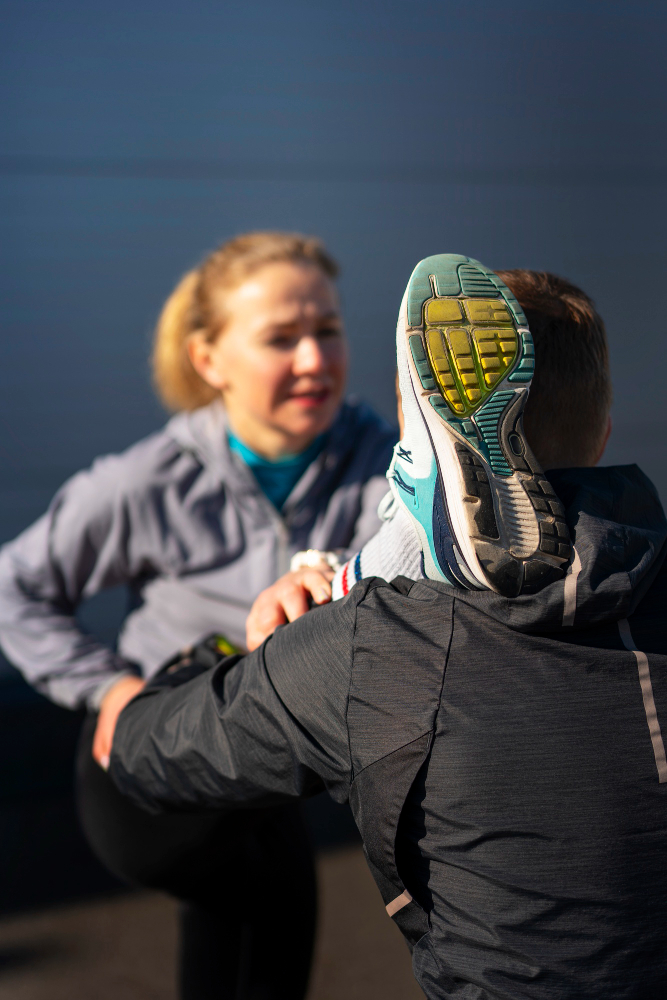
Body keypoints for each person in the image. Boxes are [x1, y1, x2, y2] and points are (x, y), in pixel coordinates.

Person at [110, 255, 667, 999]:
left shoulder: (371, 644)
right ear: (601, 434)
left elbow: (154, 753)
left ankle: (397, 540)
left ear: (413, 430)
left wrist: (176, 671)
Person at [0, 231, 397, 1000]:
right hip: (153, 770)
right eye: (281, 338)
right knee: (262, 896)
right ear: (208, 360)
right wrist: (111, 688)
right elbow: (14, 587)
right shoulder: (147, 481)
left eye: (327, 329)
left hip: (270, 768)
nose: (314, 359)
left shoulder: (388, 461)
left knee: (262, 916)